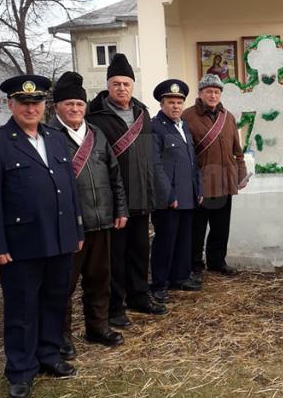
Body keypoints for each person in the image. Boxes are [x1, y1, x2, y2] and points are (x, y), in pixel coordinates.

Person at [0, 74, 84, 398]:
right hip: (21, 244)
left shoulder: (54, 138)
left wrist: (77, 230)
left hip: (60, 238)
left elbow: (69, 189)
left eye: (36, 102)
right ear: (11, 105)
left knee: (54, 300)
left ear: (44, 105)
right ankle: (21, 370)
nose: (30, 108)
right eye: (23, 103)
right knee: (22, 307)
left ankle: (49, 356)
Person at [49, 71, 129, 358]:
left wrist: (120, 209)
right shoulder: (49, 137)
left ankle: (98, 327)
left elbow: (114, 174)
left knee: (99, 279)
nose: (75, 109)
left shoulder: (96, 135)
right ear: (57, 106)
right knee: (64, 285)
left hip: (102, 220)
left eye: (79, 104)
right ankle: (61, 337)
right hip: (70, 226)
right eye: (69, 103)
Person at [87, 53, 168, 328]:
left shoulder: (142, 113)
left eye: (126, 83)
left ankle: (139, 296)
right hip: (113, 198)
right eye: (116, 83)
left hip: (140, 195)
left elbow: (147, 158)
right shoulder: (94, 116)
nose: (122, 88)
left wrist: (152, 192)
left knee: (139, 250)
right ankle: (115, 306)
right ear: (108, 85)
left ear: (132, 85)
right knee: (115, 256)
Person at [182, 73, 247, 276]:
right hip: (201, 181)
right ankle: (195, 264)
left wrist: (241, 171)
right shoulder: (187, 116)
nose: (212, 95)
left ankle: (217, 261)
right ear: (200, 93)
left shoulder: (228, 117)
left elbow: (237, 149)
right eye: (208, 91)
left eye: (216, 91)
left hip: (225, 179)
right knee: (198, 227)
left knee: (221, 226)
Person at [150, 79, 204, 298]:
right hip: (168, 198)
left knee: (184, 239)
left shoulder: (183, 126)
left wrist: (197, 189)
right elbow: (154, 166)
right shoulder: (155, 127)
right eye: (170, 102)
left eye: (179, 102)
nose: (175, 106)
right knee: (165, 240)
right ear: (162, 104)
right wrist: (168, 195)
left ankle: (180, 277)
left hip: (187, 194)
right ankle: (160, 283)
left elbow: (192, 161)